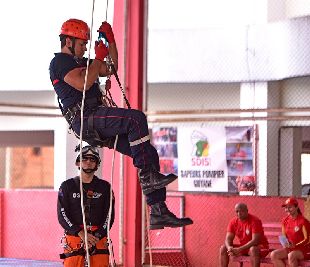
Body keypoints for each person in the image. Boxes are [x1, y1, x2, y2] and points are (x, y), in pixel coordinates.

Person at [50, 19, 193, 229]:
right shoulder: (60, 63)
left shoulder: (85, 62)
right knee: (135, 119)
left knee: (148, 154)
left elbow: (111, 68)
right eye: (82, 43)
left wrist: (111, 42)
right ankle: (150, 179)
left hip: (95, 119)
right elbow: (82, 83)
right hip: (85, 118)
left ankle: (158, 211)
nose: (85, 47)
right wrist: (98, 57)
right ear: (69, 41)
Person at [57, 145, 115, 267]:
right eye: (84, 159)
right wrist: (81, 233)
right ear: (78, 162)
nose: (88, 162)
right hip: (75, 237)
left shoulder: (105, 187)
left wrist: (96, 236)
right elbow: (62, 215)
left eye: (92, 159)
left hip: (98, 238)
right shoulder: (67, 186)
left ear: (97, 164)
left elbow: (109, 216)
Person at [219, 203, 269, 267]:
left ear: (247, 211)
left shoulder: (255, 221)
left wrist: (239, 249)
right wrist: (229, 248)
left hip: (260, 247)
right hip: (244, 248)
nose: (239, 213)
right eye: (237, 211)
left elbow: (255, 241)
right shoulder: (233, 222)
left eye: (241, 211)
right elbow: (228, 238)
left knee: (253, 249)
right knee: (223, 248)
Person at [270, 197, 310, 267]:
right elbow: (284, 236)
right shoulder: (285, 221)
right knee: (274, 254)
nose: (287, 210)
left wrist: (295, 245)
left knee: (291, 255)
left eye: (290, 207)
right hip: (290, 248)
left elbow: (307, 239)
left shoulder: (303, 221)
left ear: (297, 207)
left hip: (304, 250)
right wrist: (285, 243)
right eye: (286, 207)